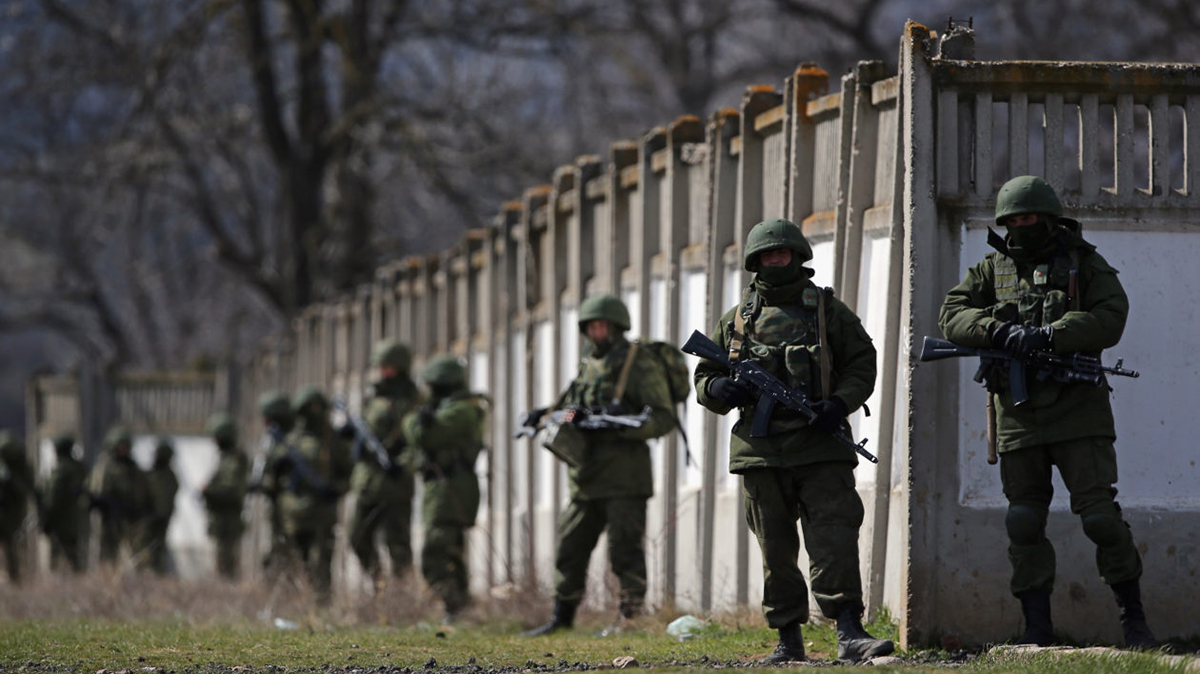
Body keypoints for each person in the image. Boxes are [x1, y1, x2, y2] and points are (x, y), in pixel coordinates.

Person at [938, 175, 1155, 649]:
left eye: (1031, 217)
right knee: (1023, 521)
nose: (1023, 225)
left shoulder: (1084, 263)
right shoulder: (991, 270)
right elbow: (951, 314)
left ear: (1050, 218)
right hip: (1018, 415)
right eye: (1014, 220)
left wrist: (1052, 334)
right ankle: (1037, 628)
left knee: (1100, 519)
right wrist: (996, 330)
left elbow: (1111, 316)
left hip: (1079, 411)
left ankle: (1135, 623)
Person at [693, 218, 892, 664]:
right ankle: (788, 640)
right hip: (761, 452)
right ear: (755, 262)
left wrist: (838, 404)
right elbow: (705, 375)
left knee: (834, 540)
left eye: (782, 253)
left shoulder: (826, 311)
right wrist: (719, 388)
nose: (776, 260)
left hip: (821, 448)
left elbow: (862, 362)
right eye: (767, 255)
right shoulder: (739, 318)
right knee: (775, 549)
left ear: (799, 256)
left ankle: (849, 631)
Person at [524, 294, 676, 637]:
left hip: (625, 476)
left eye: (603, 326)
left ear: (617, 327)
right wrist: (547, 414)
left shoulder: (638, 364)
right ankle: (562, 617)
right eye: (591, 326)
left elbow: (664, 416)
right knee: (570, 546)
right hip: (585, 476)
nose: (597, 332)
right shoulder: (588, 363)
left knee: (624, 550)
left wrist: (625, 426)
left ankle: (629, 617)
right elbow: (569, 407)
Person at [403, 355, 487, 622]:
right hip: (442, 488)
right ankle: (460, 608)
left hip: (452, 488)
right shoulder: (448, 408)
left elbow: (425, 436)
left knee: (435, 552)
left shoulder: (461, 410)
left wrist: (417, 421)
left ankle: (453, 604)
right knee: (450, 552)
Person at [348, 340, 421, 588]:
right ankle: (378, 583)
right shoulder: (374, 397)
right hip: (367, 482)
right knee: (357, 537)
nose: (383, 371)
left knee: (397, 544)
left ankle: (402, 594)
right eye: (381, 366)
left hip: (395, 484)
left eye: (388, 366)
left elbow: (416, 442)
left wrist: (402, 465)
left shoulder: (414, 400)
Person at [276, 387, 353, 603]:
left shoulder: (332, 441)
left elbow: (349, 473)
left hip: (322, 514)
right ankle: (295, 603)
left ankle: (321, 605)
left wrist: (336, 489)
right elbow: (275, 480)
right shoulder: (291, 440)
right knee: (295, 562)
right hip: (294, 514)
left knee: (320, 563)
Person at [91, 426, 150, 567]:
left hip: (131, 518)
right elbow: (96, 490)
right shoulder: (105, 469)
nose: (123, 450)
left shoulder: (134, 470)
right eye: (120, 447)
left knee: (138, 554)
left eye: (125, 447)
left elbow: (143, 494)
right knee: (108, 556)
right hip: (110, 519)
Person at [201, 414, 249, 579]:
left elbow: (231, 489)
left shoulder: (235, 459)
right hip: (221, 520)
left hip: (228, 521)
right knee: (221, 563)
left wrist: (209, 491)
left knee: (226, 565)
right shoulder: (225, 457)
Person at [255, 391, 294, 573]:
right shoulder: (271, 439)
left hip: (288, 503)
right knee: (273, 546)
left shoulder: (290, 440)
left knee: (284, 546)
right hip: (274, 502)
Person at [42, 432, 88, 573]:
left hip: (61, 521)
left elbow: (53, 497)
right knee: (76, 559)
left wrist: (47, 518)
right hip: (77, 520)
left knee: (56, 561)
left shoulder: (62, 469)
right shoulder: (80, 468)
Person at [0, 431, 37, 583]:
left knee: (12, 547)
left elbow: (26, 490)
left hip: (13, 514)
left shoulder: (21, 468)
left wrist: (11, 480)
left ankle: (15, 578)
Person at [143, 438, 180, 575]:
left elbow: (165, 501)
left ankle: (155, 572)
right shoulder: (150, 475)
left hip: (159, 520)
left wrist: (159, 515)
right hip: (146, 519)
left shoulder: (168, 477)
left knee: (156, 547)